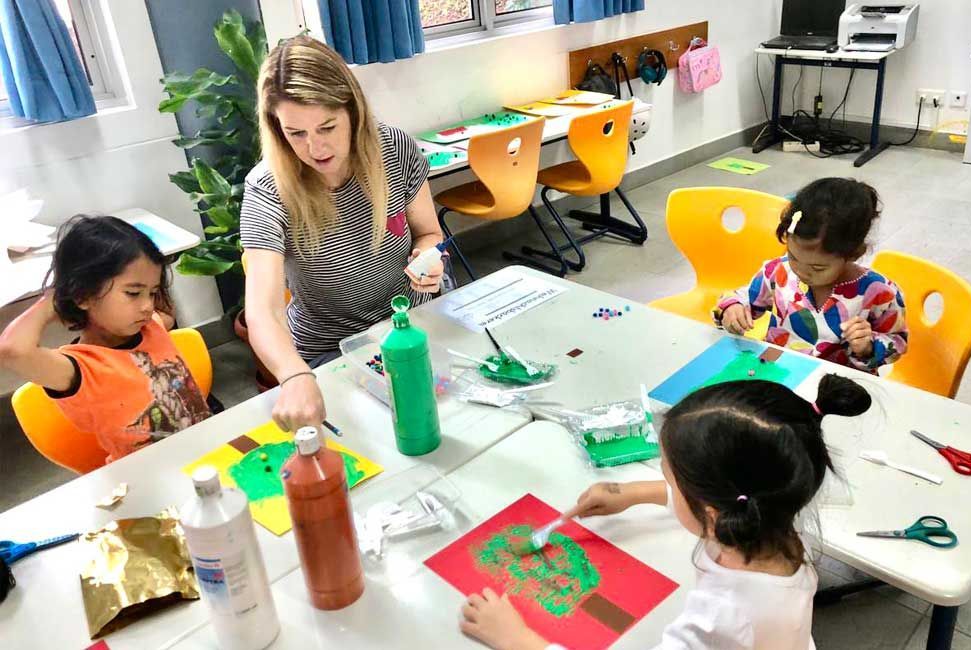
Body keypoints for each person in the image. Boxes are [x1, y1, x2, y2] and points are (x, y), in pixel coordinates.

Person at [459, 375, 872, 650]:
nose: (669, 488)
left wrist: (517, 639)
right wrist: (633, 492)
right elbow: (710, 502)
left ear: (711, 509)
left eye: (671, 481)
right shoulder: (775, 515)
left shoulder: (721, 618)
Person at [241, 35, 445, 432]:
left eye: (327, 127)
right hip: (331, 351)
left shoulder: (394, 149)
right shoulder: (268, 188)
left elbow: (428, 232)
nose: (315, 147)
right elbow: (262, 310)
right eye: (295, 133)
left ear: (354, 112)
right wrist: (295, 376)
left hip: (414, 324)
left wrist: (428, 257)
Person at [0, 216, 210, 463]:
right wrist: (53, 301)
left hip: (205, 450)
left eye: (151, 293)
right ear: (83, 294)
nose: (146, 305)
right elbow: (12, 349)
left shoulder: (152, 325)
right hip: (148, 475)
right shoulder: (78, 368)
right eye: (133, 293)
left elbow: (165, 313)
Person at [715, 178, 907, 373]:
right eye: (793, 256)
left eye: (818, 267)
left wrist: (867, 347)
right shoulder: (777, 271)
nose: (801, 271)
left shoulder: (879, 292)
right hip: (775, 363)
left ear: (853, 254)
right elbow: (742, 298)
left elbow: (898, 342)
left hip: (837, 379)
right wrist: (732, 308)